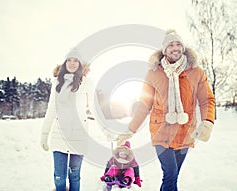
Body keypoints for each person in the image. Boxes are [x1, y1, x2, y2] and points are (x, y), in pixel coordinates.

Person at [116, 29, 215, 191]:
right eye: (171, 45)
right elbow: (144, 104)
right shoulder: (154, 73)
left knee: (171, 177)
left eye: (178, 44)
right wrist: (129, 130)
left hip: (185, 132)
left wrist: (207, 122)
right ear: (164, 50)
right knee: (170, 174)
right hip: (161, 131)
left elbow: (207, 100)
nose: (175, 48)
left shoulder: (196, 72)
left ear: (183, 48)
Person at [40, 48, 93, 191]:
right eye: (69, 60)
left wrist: (108, 130)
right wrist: (44, 135)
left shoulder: (87, 83)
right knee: (59, 177)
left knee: (74, 175)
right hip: (59, 136)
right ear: (64, 63)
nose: (72, 63)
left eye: (76, 60)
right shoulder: (57, 82)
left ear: (80, 64)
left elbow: (94, 108)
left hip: (79, 137)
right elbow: (51, 110)